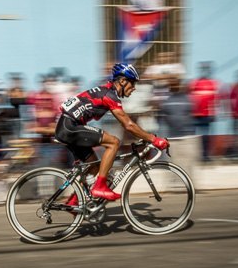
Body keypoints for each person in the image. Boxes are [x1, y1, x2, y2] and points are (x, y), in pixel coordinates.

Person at [54, 63, 169, 202]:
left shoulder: (106, 91)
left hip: (69, 126)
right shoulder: (110, 95)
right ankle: (100, 187)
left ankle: (74, 203)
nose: (134, 88)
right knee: (113, 142)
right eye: (132, 83)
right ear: (122, 81)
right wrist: (153, 139)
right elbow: (128, 125)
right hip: (69, 127)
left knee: (94, 167)